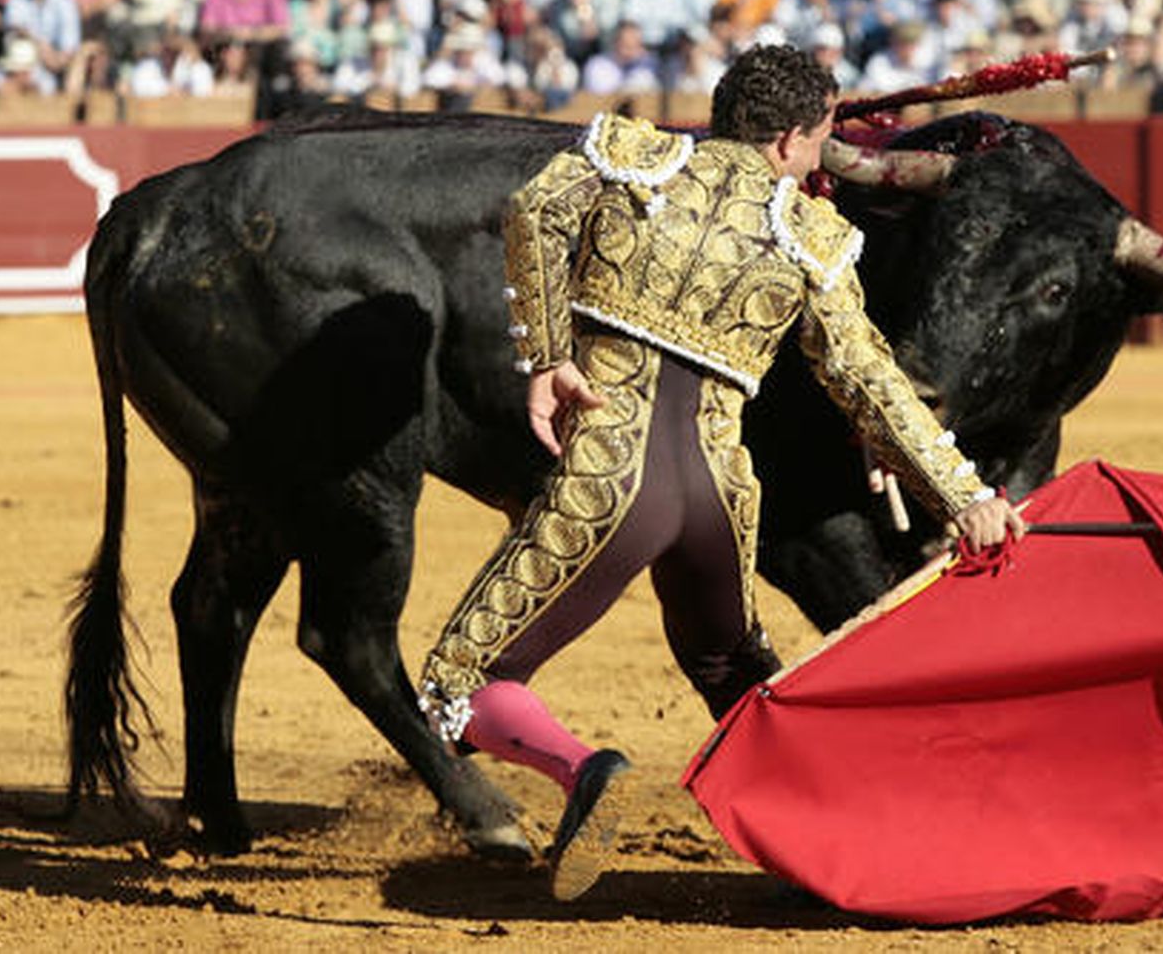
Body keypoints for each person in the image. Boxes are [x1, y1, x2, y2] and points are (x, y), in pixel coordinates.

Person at [417, 44, 1025, 901]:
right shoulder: (810, 236)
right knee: (731, 671)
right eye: (817, 140)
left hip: (610, 472)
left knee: (459, 682)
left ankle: (585, 770)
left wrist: (548, 358)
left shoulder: (634, 158)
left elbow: (535, 208)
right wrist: (963, 496)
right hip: (718, 491)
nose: (818, 160)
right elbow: (867, 379)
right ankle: (862, 843)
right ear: (786, 140)